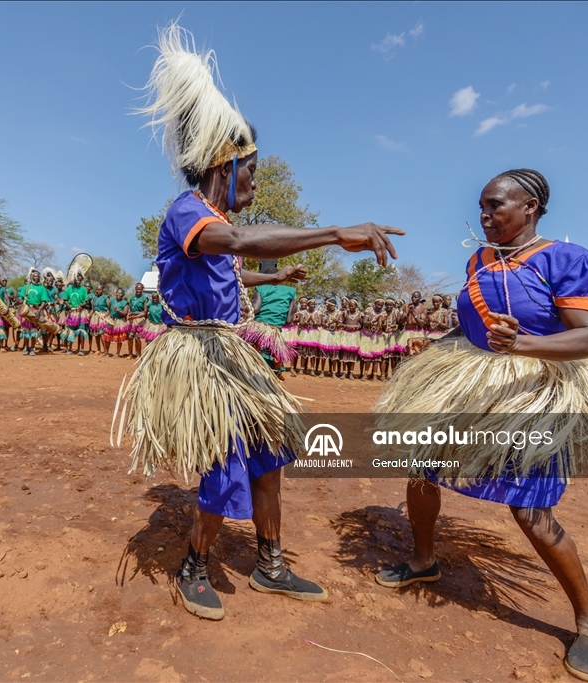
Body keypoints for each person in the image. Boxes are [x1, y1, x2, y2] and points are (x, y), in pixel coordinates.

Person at [117, 24, 403, 621]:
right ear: (227, 162)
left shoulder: (210, 221)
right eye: (253, 169)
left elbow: (229, 273)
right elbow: (241, 241)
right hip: (202, 360)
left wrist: (272, 281)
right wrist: (333, 232)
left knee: (271, 455)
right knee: (225, 467)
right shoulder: (188, 213)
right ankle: (193, 565)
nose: (256, 180)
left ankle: (270, 564)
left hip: (233, 356)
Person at [370, 168, 588, 682]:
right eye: (482, 205)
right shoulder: (480, 261)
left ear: (531, 206)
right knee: (420, 472)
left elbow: (587, 339)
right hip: (469, 394)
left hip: (530, 396)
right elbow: (475, 324)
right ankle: (425, 559)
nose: (485, 215)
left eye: (496, 205)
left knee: (529, 509)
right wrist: (443, 344)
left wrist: (522, 345)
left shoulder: (567, 260)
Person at [239, 259, 303, 377]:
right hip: (274, 334)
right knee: (271, 361)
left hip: (257, 329)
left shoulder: (261, 288)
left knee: (243, 355)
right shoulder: (290, 292)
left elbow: (256, 308)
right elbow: (289, 320)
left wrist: (244, 308)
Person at [63, 273, 90, 355]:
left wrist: (81, 306)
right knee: (70, 331)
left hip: (81, 313)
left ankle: (81, 349)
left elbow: (86, 301)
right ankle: (70, 349)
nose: (78, 280)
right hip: (72, 313)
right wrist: (69, 306)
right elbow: (65, 300)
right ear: (73, 279)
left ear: (81, 280)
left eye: (80, 278)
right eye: (76, 278)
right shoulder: (69, 289)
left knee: (81, 330)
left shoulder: (83, 289)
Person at [126, 282, 150, 359]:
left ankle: (138, 354)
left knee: (137, 337)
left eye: (140, 288)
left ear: (143, 289)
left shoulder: (145, 298)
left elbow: (145, 312)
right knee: (130, 337)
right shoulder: (132, 297)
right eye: (137, 288)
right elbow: (130, 307)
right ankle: (130, 354)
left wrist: (134, 313)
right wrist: (130, 312)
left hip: (140, 319)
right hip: (131, 320)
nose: (138, 290)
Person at [103, 288, 129, 357]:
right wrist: (106, 315)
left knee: (118, 338)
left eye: (120, 293)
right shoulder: (112, 301)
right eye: (118, 293)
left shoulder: (125, 303)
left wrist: (117, 310)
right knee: (107, 336)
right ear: (116, 293)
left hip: (120, 321)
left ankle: (117, 353)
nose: (119, 294)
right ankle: (106, 352)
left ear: (123, 295)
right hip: (111, 320)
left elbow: (125, 313)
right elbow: (109, 310)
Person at [89, 284, 110, 355]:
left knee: (102, 334)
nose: (99, 291)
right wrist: (89, 315)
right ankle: (98, 349)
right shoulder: (94, 298)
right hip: (95, 317)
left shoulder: (105, 297)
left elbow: (109, 308)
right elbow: (93, 309)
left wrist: (105, 315)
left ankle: (105, 351)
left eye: (100, 289)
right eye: (98, 289)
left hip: (102, 317)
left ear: (102, 290)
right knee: (96, 334)